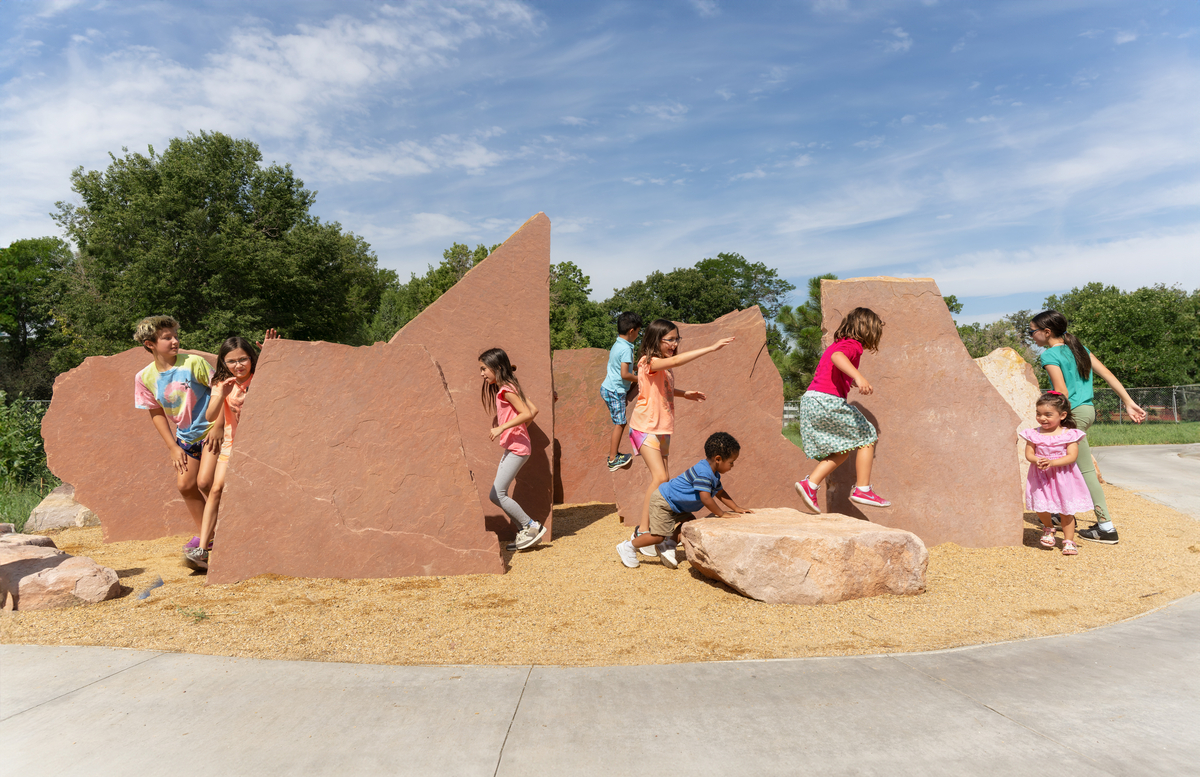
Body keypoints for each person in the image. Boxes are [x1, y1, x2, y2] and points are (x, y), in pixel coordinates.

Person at [1029, 310, 1147, 544]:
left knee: (1085, 471)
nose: (1031, 336)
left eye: (1032, 331)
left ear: (1047, 332)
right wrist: (1128, 402)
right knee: (1063, 465)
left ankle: (1106, 527)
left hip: (1072, 414)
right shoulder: (1079, 349)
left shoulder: (1050, 355)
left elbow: (1061, 391)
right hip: (1087, 411)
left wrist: (1052, 419)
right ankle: (1058, 512)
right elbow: (1108, 375)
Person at [626, 319, 734, 557]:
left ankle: (654, 529)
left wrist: (685, 394)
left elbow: (660, 389)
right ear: (657, 340)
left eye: (677, 339)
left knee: (663, 482)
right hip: (645, 427)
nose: (674, 344)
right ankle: (642, 531)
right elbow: (673, 361)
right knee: (661, 477)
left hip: (663, 428)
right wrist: (711, 348)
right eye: (670, 340)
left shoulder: (663, 367)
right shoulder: (649, 361)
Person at [132, 316, 222, 561]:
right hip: (185, 438)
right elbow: (156, 411)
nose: (175, 341)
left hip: (210, 433)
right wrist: (173, 446)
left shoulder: (193, 363)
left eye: (175, 336)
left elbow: (220, 389)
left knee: (205, 483)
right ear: (150, 344)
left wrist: (219, 426)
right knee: (185, 485)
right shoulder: (144, 377)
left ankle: (212, 536)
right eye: (167, 338)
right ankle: (209, 536)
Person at [184, 332, 276, 569]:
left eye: (243, 359)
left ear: (252, 358)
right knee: (215, 488)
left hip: (259, 445)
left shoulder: (261, 376)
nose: (238, 365)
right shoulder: (221, 383)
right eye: (232, 361)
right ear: (224, 363)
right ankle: (203, 549)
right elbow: (210, 415)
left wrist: (273, 351)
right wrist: (222, 394)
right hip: (232, 444)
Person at [794, 307, 890, 513]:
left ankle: (809, 485)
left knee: (842, 451)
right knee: (867, 435)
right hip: (826, 400)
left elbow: (833, 364)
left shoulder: (839, 344)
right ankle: (863, 489)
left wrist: (847, 379)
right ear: (867, 329)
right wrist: (858, 376)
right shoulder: (852, 346)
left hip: (812, 400)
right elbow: (838, 358)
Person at [616, 432, 750, 569]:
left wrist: (736, 508)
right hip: (664, 501)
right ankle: (627, 546)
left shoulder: (713, 474)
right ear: (718, 459)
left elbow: (720, 492)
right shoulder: (704, 472)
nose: (732, 466)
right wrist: (722, 514)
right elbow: (705, 497)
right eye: (731, 462)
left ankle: (669, 545)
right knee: (658, 536)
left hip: (677, 505)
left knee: (689, 523)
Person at [479, 347, 545, 551]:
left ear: (496, 367)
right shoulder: (508, 386)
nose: (482, 374)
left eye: (484, 369)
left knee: (499, 493)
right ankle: (525, 531)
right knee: (494, 495)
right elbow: (533, 411)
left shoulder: (506, 390)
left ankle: (531, 525)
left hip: (517, 449)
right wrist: (518, 429)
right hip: (516, 446)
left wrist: (502, 427)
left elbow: (526, 412)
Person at [1022, 391, 1093, 556]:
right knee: (1041, 505)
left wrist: (1052, 462)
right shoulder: (1033, 433)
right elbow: (1029, 454)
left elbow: (1072, 456)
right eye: (1039, 414)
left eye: (1048, 414)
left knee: (1065, 509)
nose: (1042, 418)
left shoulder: (1069, 434)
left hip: (1063, 477)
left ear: (1062, 415)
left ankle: (1069, 540)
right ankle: (1048, 528)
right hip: (1040, 476)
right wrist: (1036, 460)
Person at [601, 311, 643, 472]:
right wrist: (642, 378)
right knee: (620, 423)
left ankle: (613, 456)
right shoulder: (626, 349)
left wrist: (639, 367)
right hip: (615, 391)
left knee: (620, 421)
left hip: (611, 387)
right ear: (632, 331)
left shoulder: (619, 343)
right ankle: (613, 459)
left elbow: (624, 367)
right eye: (638, 332)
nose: (638, 335)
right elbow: (625, 374)